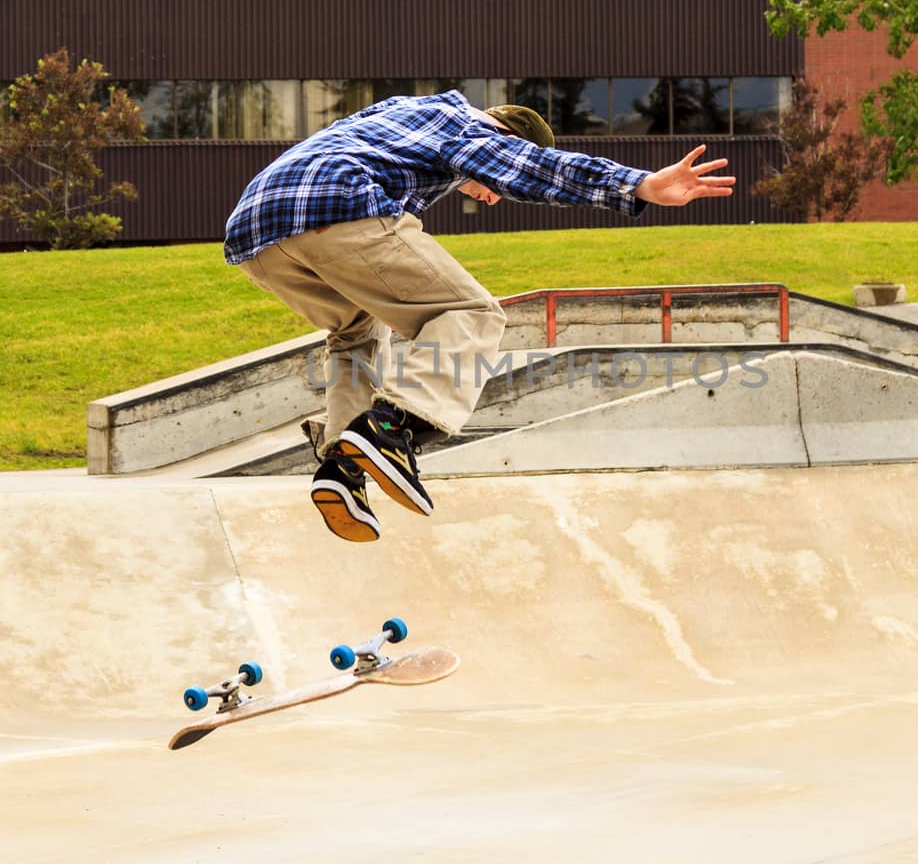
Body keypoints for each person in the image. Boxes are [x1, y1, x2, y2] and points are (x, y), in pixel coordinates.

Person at [223, 88, 735, 542]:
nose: (490, 196)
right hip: (337, 203)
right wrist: (638, 185)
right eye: (490, 183)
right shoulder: (470, 126)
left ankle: (341, 464)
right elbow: (531, 171)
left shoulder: (404, 112)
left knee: (355, 328)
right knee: (472, 312)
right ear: (507, 135)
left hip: (256, 234)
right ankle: (391, 427)